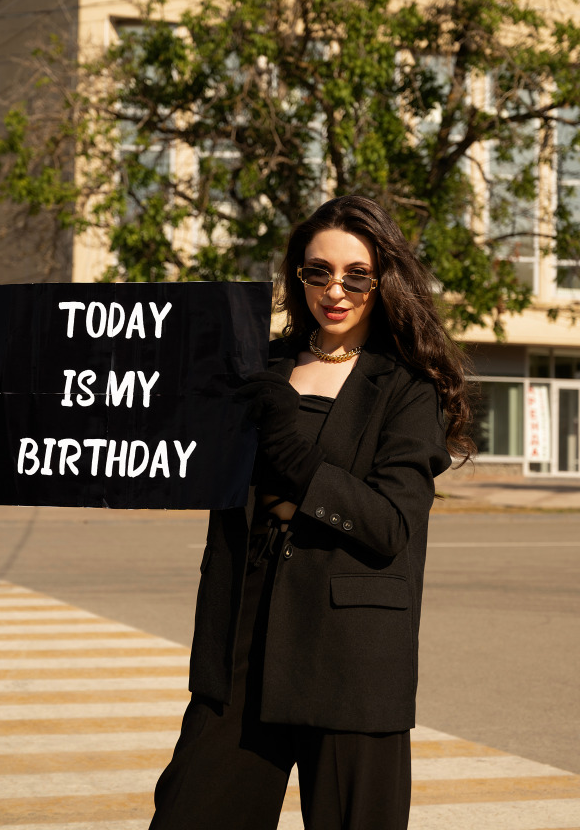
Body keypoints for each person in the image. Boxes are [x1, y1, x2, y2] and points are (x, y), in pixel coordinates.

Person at [148, 194, 475, 830]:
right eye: (318, 271)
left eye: (357, 275)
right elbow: (144, 429)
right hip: (239, 642)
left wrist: (291, 452)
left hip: (350, 659)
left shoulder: (407, 386)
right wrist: (8, 417)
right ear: (297, 278)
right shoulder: (258, 367)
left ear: (385, 283)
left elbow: (387, 525)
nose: (337, 290)